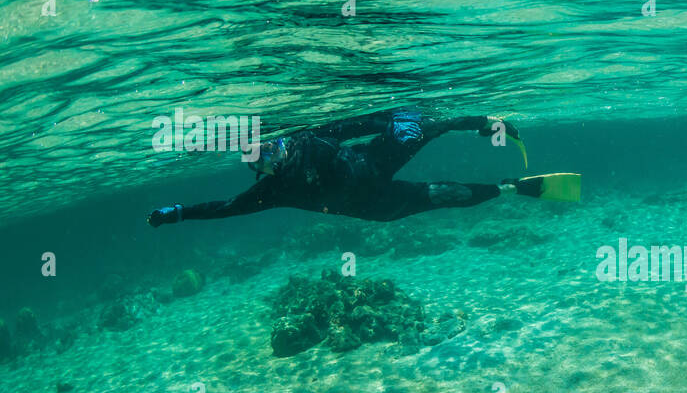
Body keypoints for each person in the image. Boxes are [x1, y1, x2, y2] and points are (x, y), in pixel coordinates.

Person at [146, 108, 578, 227]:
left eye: (270, 145)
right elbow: (224, 208)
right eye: (259, 158)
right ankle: (509, 189)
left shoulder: (305, 138)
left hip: (371, 161)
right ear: (256, 171)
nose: (272, 155)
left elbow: (353, 124)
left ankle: (481, 123)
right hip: (377, 205)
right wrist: (179, 213)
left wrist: (394, 121)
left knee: (418, 130)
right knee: (448, 195)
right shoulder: (270, 193)